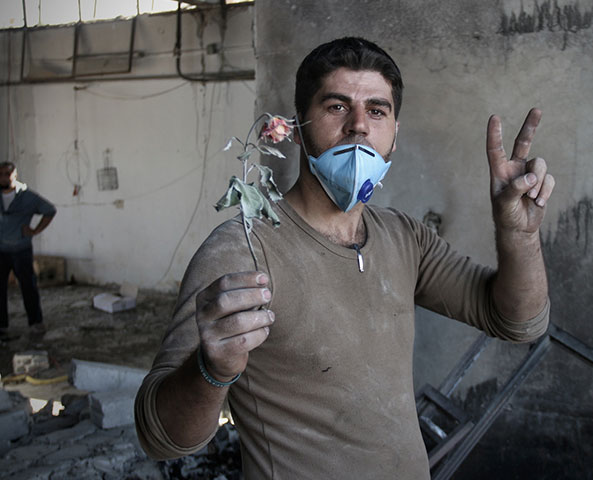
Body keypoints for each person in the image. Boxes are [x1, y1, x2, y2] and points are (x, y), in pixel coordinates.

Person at [135, 37, 555, 479]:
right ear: (297, 127)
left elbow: (517, 322)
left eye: (377, 111)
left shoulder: (404, 236)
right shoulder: (241, 250)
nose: (359, 126)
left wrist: (519, 234)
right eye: (337, 107)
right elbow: (160, 438)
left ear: (395, 134)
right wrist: (210, 369)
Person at [0, 161, 56, 338]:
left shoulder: (27, 197)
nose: (3, 177)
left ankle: (36, 322)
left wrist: (35, 230)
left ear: (15, 175)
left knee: (28, 286)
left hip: (21, 249)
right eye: (0, 174)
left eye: (7, 174)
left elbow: (50, 210)